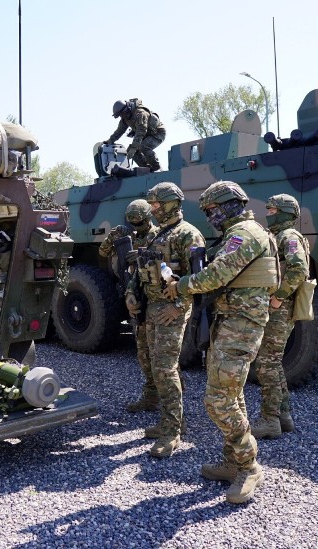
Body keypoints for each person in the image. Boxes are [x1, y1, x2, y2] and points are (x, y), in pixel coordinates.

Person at [162, 181, 278, 504]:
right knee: (232, 393)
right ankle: (232, 461)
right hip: (232, 323)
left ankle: (249, 464)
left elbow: (215, 276)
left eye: (212, 211)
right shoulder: (241, 234)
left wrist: (181, 285)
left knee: (217, 400)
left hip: (242, 326)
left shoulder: (245, 234)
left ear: (227, 206)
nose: (210, 217)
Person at [127, 182, 204, 458]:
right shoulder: (155, 235)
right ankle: (169, 420)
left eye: (158, 204)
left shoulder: (189, 236)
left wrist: (180, 306)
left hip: (171, 310)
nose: (154, 209)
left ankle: (172, 431)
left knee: (165, 368)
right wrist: (131, 293)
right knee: (156, 365)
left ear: (173, 203)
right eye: (152, 205)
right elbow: (140, 269)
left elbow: (197, 278)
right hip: (151, 308)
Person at [250, 194, 310, 439]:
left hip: (278, 310)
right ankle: (283, 416)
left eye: (273, 209)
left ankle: (269, 420)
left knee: (266, 365)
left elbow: (298, 269)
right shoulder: (278, 236)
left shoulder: (289, 236)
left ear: (286, 213)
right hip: (276, 309)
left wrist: (278, 298)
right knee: (272, 364)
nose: (268, 213)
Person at [99, 199, 160, 413]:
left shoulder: (158, 235)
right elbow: (103, 252)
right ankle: (151, 397)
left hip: (155, 301)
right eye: (133, 223)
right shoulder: (127, 236)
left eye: (140, 223)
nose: (137, 227)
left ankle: (171, 405)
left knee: (161, 356)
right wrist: (113, 237)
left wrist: (143, 253)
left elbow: (169, 263)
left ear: (149, 218)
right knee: (143, 354)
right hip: (134, 298)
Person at [104, 99, 166, 172]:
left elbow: (141, 132)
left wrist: (134, 148)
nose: (122, 116)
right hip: (146, 135)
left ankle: (156, 168)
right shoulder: (125, 118)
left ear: (127, 109)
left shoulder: (140, 114)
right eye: (120, 115)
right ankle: (147, 170)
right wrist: (110, 140)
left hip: (158, 133)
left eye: (122, 114)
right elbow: (119, 131)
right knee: (132, 151)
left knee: (143, 147)